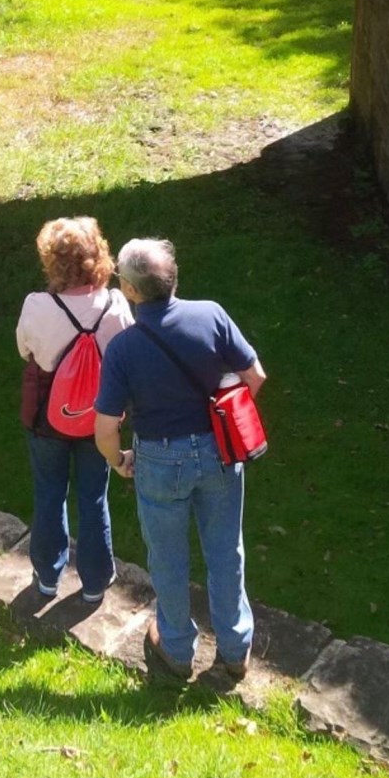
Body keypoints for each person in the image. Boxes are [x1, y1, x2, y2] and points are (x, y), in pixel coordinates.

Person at [94, 237, 266, 682]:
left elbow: (105, 427)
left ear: (130, 291)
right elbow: (255, 376)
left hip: (159, 459)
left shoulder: (124, 348)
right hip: (221, 452)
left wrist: (118, 461)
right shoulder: (210, 313)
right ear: (173, 278)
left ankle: (175, 649)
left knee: (168, 558)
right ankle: (234, 649)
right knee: (226, 549)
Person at [17, 217, 132, 603]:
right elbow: (127, 359)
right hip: (100, 420)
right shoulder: (116, 305)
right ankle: (96, 582)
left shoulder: (37, 305)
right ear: (99, 256)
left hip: (46, 418)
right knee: (94, 495)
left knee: (49, 492)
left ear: (53, 262)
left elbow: (25, 350)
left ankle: (48, 577)